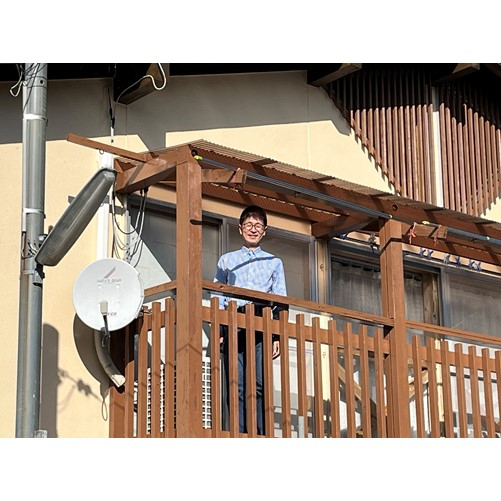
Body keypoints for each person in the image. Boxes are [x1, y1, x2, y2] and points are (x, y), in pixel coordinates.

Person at [213, 205, 287, 436]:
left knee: (260, 382)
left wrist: (276, 336)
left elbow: (281, 299)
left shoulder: (274, 261)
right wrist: (220, 331)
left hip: (262, 321)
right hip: (233, 319)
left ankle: (260, 433)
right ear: (240, 228)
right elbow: (218, 296)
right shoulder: (227, 260)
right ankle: (237, 432)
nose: (253, 229)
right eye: (248, 225)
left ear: (264, 231)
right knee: (235, 382)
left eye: (258, 225)